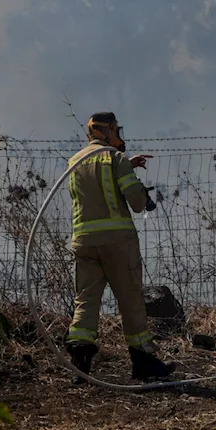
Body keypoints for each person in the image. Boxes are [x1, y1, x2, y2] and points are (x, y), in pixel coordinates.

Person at [64, 112, 174, 381]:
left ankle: (80, 361)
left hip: (84, 243)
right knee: (131, 299)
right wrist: (136, 184)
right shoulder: (115, 158)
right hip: (117, 243)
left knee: (86, 301)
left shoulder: (75, 161)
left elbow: (94, 191)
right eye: (116, 130)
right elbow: (136, 203)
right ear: (109, 131)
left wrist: (126, 167)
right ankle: (143, 361)